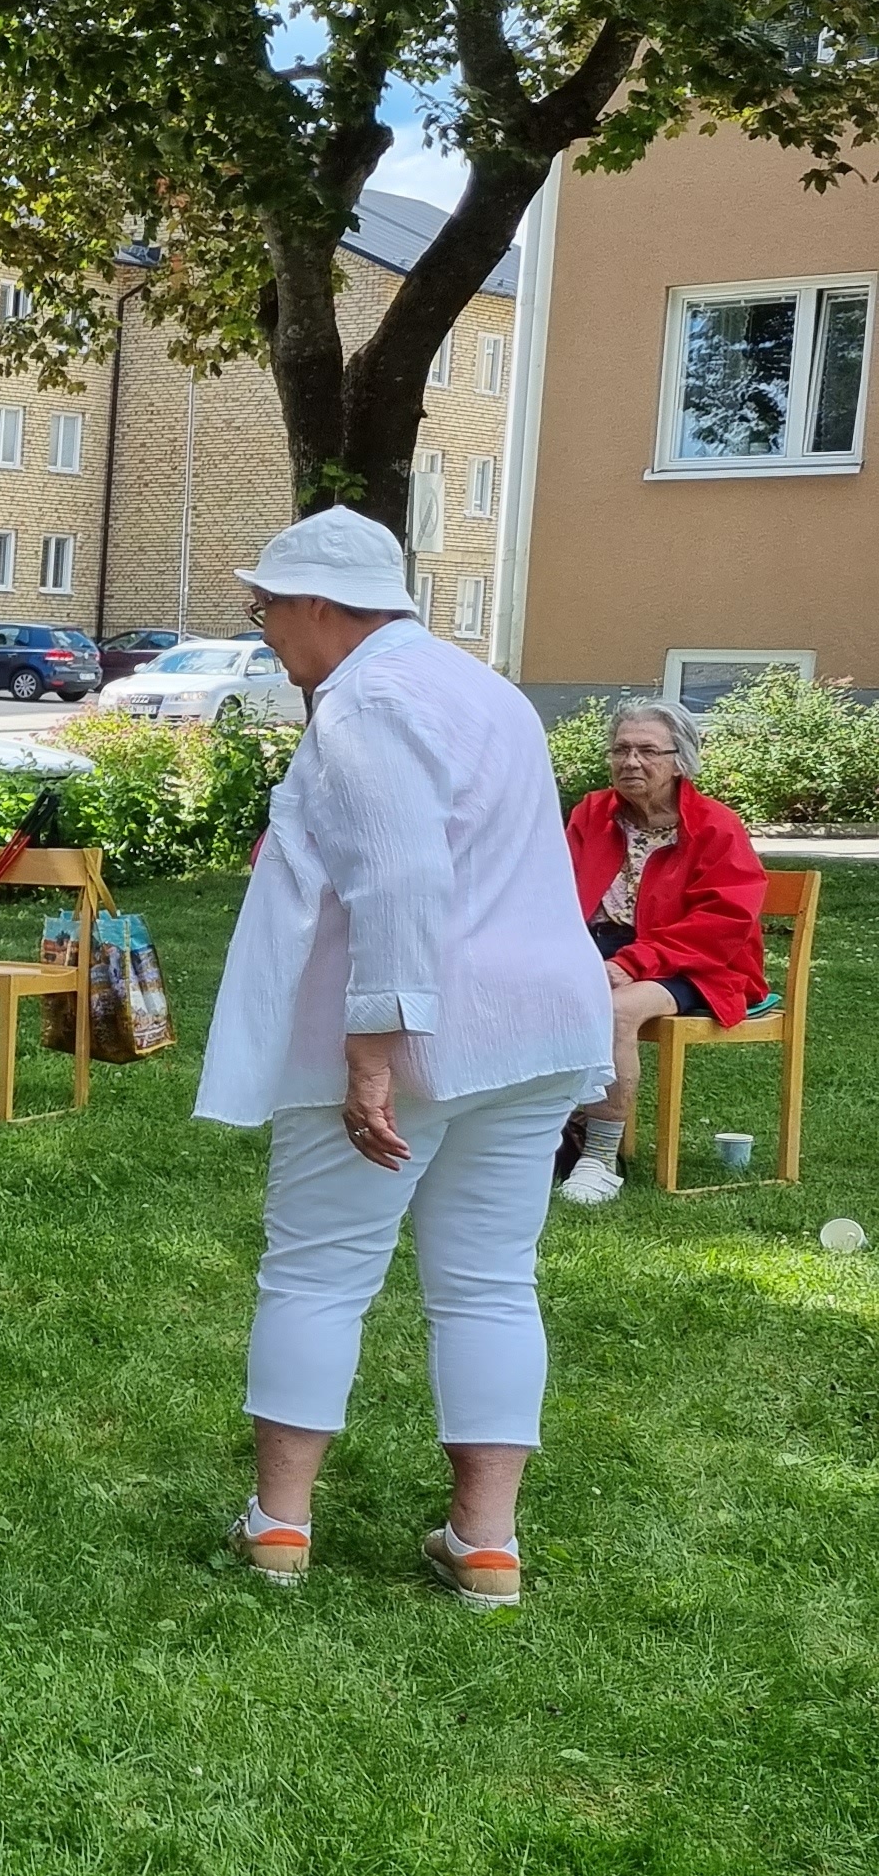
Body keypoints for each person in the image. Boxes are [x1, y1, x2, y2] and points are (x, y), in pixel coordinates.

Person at [200, 507, 608, 1610]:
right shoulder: (487, 691)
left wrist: (372, 1049)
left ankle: (279, 1523)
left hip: (421, 1031)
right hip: (536, 1026)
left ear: (326, 607)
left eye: (269, 606)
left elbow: (403, 880)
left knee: (319, 1270)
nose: (265, 626)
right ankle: (485, 1543)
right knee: (488, 1282)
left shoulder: (365, 702)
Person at [554, 696, 768, 1205]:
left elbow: (723, 924)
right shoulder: (591, 814)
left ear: (680, 760)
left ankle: (600, 1158)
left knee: (615, 1011)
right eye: (621, 749)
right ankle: (540, 1139)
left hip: (698, 964)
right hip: (600, 952)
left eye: (647, 751)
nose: (631, 762)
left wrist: (631, 963)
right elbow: (553, 893)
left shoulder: (716, 826)